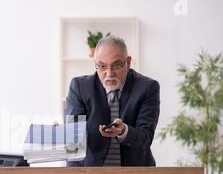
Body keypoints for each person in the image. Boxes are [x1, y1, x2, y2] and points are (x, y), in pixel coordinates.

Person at [65, 35, 160, 166]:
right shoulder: (80, 87)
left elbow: (145, 137)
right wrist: (63, 134)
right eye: (102, 66)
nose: (109, 73)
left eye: (116, 65)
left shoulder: (147, 87)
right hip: (92, 172)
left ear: (128, 62)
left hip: (135, 172)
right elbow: (73, 145)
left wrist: (123, 131)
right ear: (95, 64)